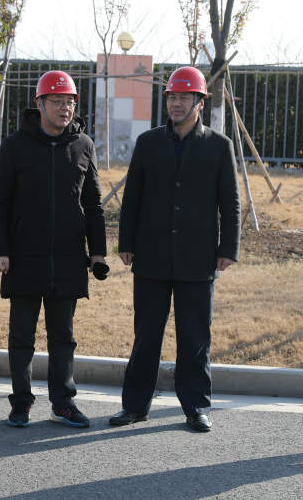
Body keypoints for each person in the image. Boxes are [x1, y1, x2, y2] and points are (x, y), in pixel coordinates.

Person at [109, 66, 241, 433]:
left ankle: (196, 406)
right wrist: (126, 242)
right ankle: (135, 406)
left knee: (195, 337)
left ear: (200, 102)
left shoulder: (219, 146)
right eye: (172, 97)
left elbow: (230, 204)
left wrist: (228, 248)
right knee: (146, 335)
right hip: (151, 255)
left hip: (198, 258)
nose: (176, 103)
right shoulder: (149, 143)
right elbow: (132, 197)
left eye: (184, 97)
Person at [0, 70, 107, 428]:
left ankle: (63, 403)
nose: (64, 108)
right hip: (24, 255)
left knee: (63, 337)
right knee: (21, 335)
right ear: (39, 104)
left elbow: (94, 203)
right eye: (57, 101)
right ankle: (21, 403)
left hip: (68, 256)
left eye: (69, 102)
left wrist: (98, 252)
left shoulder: (83, 145)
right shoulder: (15, 146)